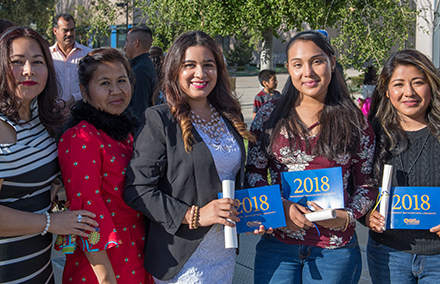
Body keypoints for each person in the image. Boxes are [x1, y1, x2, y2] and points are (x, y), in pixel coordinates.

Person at [245, 30, 377, 284]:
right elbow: (254, 173)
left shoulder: (354, 122)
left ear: (332, 62)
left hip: (335, 250)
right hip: (278, 247)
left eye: (317, 61)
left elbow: (366, 184)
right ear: (289, 69)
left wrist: (347, 215)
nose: (308, 72)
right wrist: (279, 207)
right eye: (297, 64)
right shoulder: (268, 117)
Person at [124, 31, 254, 283]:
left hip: (224, 250)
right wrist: (194, 215)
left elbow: (231, 177)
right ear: (175, 70)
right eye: (189, 65)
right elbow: (137, 189)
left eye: (208, 65)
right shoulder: (159, 119)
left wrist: (255, 214)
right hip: (182, 257)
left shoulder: (228, 115)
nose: (200, 73)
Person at [0, 26, 98, 284]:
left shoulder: (39, 118)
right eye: (17, 62)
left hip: (40, 269)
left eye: (38, 62)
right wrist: (51, 223)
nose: (29, 71)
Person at [56, 47, 154, 284]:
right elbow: (86, 209)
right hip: (103, 257)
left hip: (137, 246)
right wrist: (106, 278)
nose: (116, 91)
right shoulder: (82, 137)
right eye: (104, 83)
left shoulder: (126, 133)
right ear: (84, 91)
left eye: (122, 80)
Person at [366, 50, 440, 283]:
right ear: (387, 91)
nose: (409, 92)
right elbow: (356, 185)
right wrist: (366, 216)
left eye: (418, 82)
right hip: (387, 254)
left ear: (432, 86)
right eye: (399, 84)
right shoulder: (372, 134)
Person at [50, 13, 93, 113]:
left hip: (81, 113)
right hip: (54, 115)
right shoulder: (47, 56)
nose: (69, 34)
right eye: (65, 30)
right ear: (55, 31)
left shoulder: (88, 54)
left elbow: (92, 83)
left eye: (72, 30)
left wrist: (73, 100)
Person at [124, 26, 158, 119]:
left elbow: (138, 108)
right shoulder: (144, 65)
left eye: (127, 41)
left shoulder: (140, 69)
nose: (125, 45)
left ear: (136, 43)